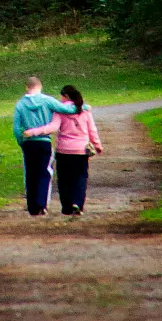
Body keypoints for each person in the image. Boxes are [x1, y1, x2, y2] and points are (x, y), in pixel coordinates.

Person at [23, 83, 102, 216]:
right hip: (81, 150)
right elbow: (92, 130)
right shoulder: (85, 110)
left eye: (61, 97)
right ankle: (77, 203)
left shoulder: (60, 111)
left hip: (64, 150)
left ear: (65, 96)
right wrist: (98, 145)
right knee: (80, 177)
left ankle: (66, 206)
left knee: (64, 179)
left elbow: (52, 127)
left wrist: (33, 132)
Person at [12, 76, 78, 215]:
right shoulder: (47, 100)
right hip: (44, 142)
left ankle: (32, 207)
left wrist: (21, 141)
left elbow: (16, 128)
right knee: (44, 172)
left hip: (28, 143)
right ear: (40, 87)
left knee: (30, 173)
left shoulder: (20, 104)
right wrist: (83, 106)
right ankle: (42, 204)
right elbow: (67, 110)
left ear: (26, 87)